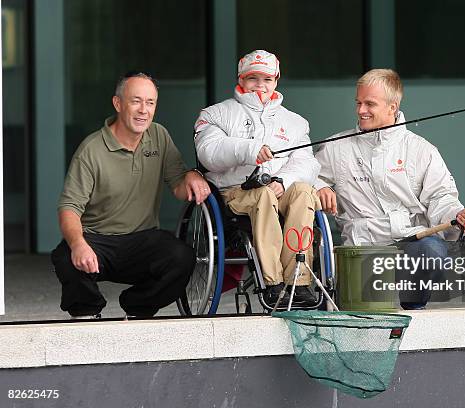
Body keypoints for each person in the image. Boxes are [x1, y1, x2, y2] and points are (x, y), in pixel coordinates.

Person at [314, 69, 465, 309]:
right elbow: (305, 175)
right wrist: (319, 186)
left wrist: (456, 215)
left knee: (432, 251)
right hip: (361, 246)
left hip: (411, 238)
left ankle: (414, 308)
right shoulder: (336, 147)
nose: (361, 110)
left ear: (392, 107)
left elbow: (441, 197)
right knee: (362, 317)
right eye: (358, 103)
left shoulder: (422, 150)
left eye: (370, 104)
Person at [51, 72, 210, 318]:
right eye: (136, 101)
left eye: (150, 103)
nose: (143, 110)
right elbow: (69, 207)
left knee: (181, 257)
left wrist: (191, 175)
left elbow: (179, 186)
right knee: (65, 256)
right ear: (118, 104)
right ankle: (87, 312)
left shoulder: (159, 136)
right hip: (98, 240)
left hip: (142, 239)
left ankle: (137, 306)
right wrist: (79, 244)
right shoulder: (91, 150)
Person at [194, 50, 321, 306]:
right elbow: (209, 153)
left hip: (279, 190)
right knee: (262, 195)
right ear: (241, 79)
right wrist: (250, 150)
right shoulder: (214, 114)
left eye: (267, 79)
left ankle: (299, 280)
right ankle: (272, 282)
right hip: (235, 191)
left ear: (276, 80)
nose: (260, 85)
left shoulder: (296, 123)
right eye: (253, 78)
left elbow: (307, 161)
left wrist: (282, 180)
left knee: (305, 192)